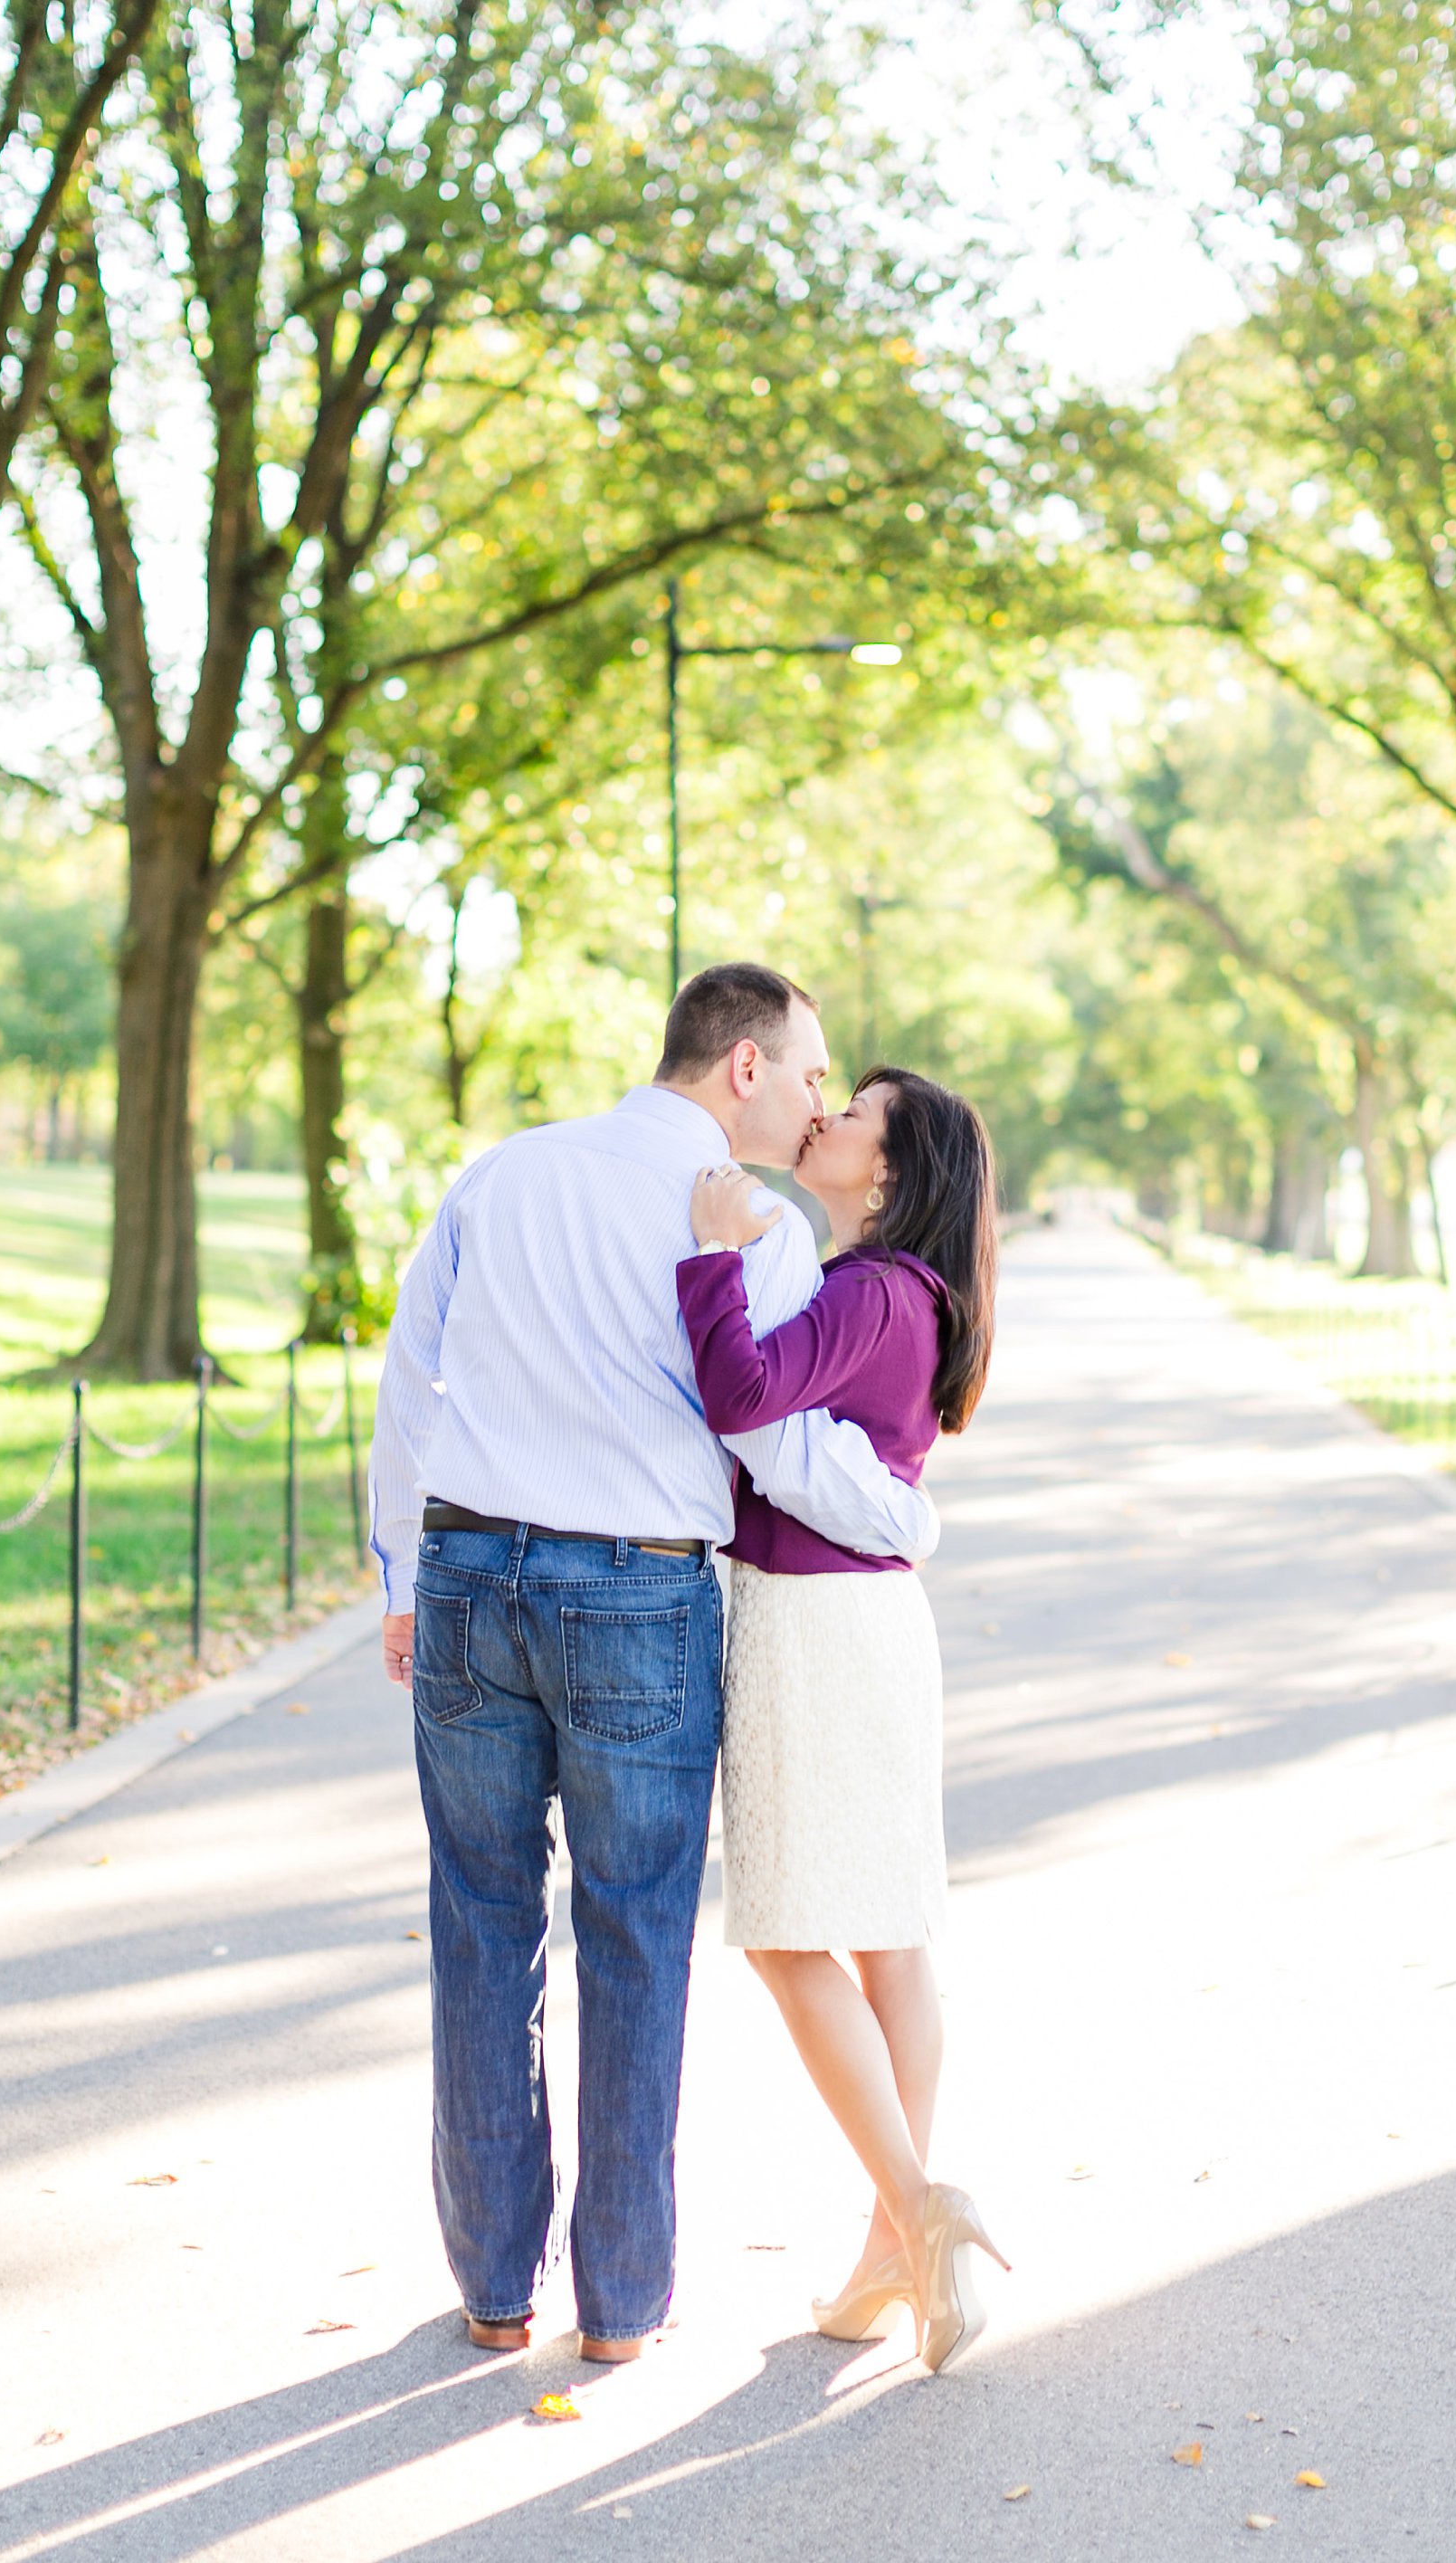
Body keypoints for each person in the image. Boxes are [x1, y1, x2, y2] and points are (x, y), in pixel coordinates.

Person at [366, 966, 938, 2364]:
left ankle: (496, 2292)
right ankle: (618, 2308)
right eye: (810, 1073)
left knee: (481, 1925)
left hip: (466, 1576)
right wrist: (907, 1516)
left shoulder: (504, 1176)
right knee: (633, 1939)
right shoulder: (760, 1227)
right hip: (635, 1594)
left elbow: (409, 1374)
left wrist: (398, 1573)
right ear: (742, 1066)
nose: (819, 1102)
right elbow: (776, 1444)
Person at [676, 1064, 1007, 2373]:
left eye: (855, 1111)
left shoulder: (873, 1290)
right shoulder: (914, 1297)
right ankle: (893, 2240)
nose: (826, 1117)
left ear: (890, 1169)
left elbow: (742, 1395)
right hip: (866, 1625)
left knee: (786, 1934)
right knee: (889, 1940)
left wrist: (713, 1255)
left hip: (810, 1626)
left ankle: (920, 2208)